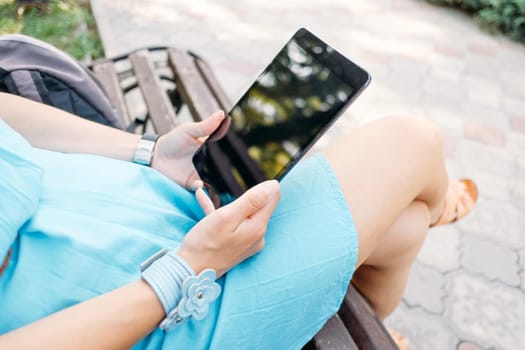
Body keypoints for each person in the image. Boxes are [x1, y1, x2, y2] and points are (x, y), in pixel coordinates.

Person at [0, 92, 476, 349]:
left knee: (403, 225)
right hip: (146, 310)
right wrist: (187, 268)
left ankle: (422, 216)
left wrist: (148, 151)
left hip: (138, 203)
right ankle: (440, 207)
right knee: (414, 142)